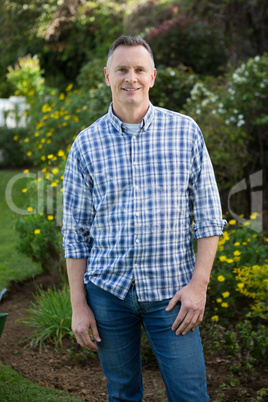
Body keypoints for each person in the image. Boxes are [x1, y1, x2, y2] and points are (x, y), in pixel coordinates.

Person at [62, 35, 227, 401]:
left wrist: (198, 286)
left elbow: (209, 217)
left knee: (190, 395)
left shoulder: (185, 133)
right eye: (122, 69)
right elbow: (75, 234)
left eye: (139, 69)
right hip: (108, 296)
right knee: (122, 395)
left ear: (152, 76)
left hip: (172, 295)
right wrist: (79, 306)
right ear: (107, 76)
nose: (130, 78)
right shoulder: (85, 145)